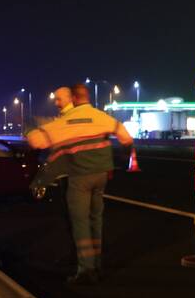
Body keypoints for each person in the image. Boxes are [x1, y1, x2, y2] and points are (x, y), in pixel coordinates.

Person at [31, 83, 133, 284]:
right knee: (96, 219)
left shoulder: (67, 121)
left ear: (74, 99)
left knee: (80, 223)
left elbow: (37, 141)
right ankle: (97, 263)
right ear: (87, 97)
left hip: (80, 177)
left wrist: (29, 129)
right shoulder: (101, 116)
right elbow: (126, 138)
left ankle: (86, 269)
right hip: (101, 175)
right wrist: (122, 156)